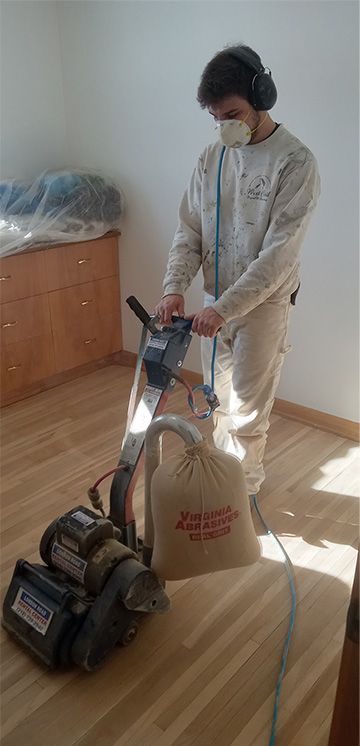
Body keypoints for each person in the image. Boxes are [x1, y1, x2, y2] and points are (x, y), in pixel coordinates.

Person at [155, 44, 320, 496]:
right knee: (217, 401)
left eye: (234, 112)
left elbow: (279, 253)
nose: (226, 125)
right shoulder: (212, 158)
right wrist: (174, 288)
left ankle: (241, 497)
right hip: (215, 306)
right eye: (216, 117)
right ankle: (226, 479)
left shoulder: (296, 162)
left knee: (247, 410)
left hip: (261, 307)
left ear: (261, 96)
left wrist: (226, 308)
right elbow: (190, 229)